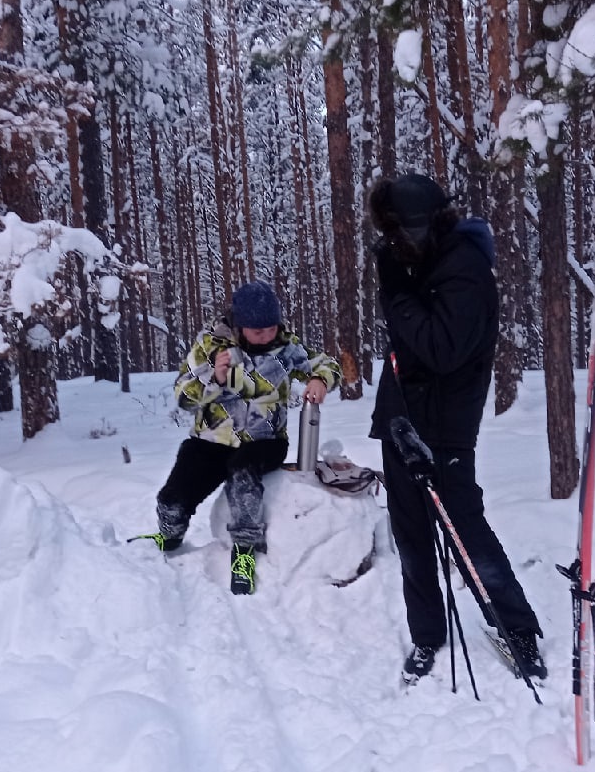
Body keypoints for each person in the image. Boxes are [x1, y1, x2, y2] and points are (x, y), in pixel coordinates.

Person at [368, 173, 546, 682]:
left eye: (399, 233)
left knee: (465, 533)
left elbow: (440, 349)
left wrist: (397, 294)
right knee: (411, 539)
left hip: (443, 430)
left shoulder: (464, 270)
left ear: (421, 225)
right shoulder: (421, 263)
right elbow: (406, 350)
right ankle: (427, 635)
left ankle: (517, 630)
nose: (394, 244)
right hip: (403, 421)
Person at [137, 280, 340, 594]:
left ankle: (244, 550)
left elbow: (326, 364)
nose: (266, 336)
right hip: (211, 440)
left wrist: (321, 380)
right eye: (257, 331)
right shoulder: (210, 345)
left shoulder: (287, 347)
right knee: (172, 497)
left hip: (265, 440)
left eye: (271, 328)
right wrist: (215, 377)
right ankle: (170, 535)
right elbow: (183, 397)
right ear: (239, 324)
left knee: (242, 473)